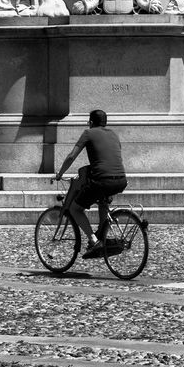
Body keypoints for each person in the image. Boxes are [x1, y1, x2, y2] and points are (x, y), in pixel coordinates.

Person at [54, 109, 127, 258]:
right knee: (102, 202)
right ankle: (102, 234)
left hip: (102, 180)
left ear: (91, 122)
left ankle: (94, 241)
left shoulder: (88, 133)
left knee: (75, 209)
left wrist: (60, 173)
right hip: (120, 180)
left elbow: (71, 156)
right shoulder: (114, 134)